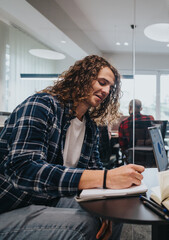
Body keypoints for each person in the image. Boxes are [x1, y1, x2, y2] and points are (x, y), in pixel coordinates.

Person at [0, 55, 145, 240]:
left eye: (110, 87)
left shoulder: (90, 127)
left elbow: (94, 169)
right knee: (84, 225)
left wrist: (106, 201)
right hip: (12, 205)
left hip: (50, 199)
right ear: (82, 77)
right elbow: (23, 170)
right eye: (102, 82)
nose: (106, 90)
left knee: (114, 213)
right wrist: (107, 177)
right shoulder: (41, 105)